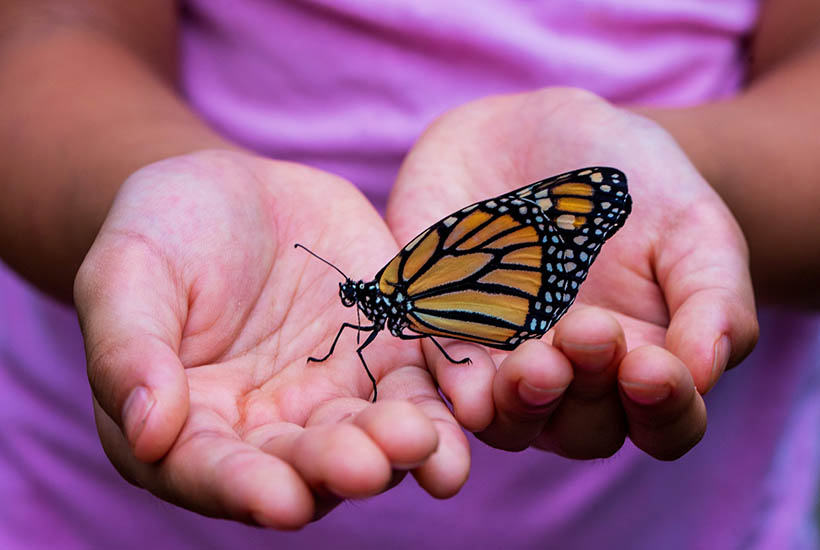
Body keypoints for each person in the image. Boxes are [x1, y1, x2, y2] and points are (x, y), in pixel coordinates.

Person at [1, 0, 818, 547]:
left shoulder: (409, 284)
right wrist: (156, 192)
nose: (358, 303)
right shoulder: (396, 295)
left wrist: (698, 181)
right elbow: (46, 39)